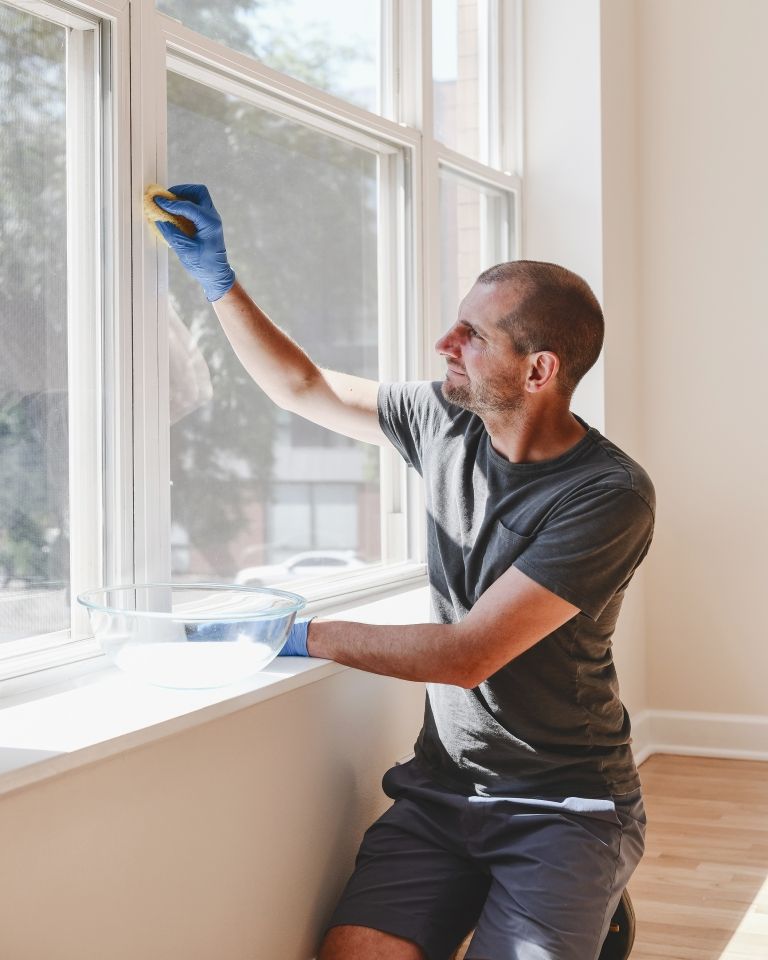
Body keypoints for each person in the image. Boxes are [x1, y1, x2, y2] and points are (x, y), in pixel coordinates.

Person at [153, 184, 654, 960]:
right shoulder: (446, 416)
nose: (443, 343)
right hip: (443, 789)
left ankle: (594, 904)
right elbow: (305, 388)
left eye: (472, 334)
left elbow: (467, 656)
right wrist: (219, 280)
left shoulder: (608, 495)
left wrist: (295, 634)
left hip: (567, 802)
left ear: (538, 370)